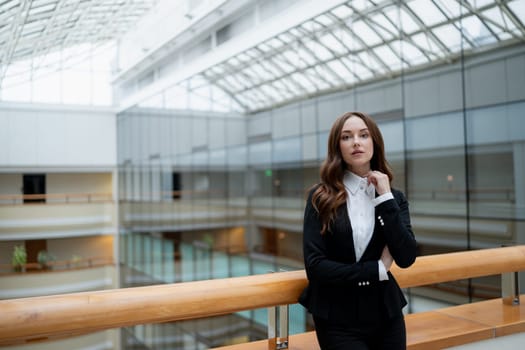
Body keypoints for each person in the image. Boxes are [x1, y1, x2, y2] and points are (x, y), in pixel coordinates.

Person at [299, 112, 417, 349]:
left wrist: (384, 198)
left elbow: (406, 257)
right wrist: (376, 269)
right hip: (337, 318)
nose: (356, 142)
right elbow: (315, 266)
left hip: (386, 313)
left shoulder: (394, 197)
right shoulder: (320, 197)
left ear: (374, 142)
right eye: (346, 137)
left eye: (364, 135)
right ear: (337, 147)